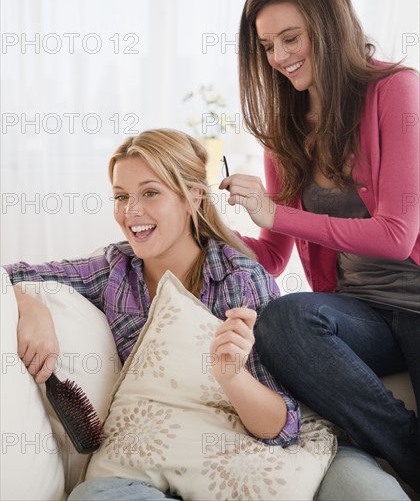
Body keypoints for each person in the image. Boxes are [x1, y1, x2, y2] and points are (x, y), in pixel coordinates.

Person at [4, 128, 300, 500]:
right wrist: (29, 303)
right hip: (144, 469)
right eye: (121, 196)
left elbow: (284, 427)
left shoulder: (239, 280)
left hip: (231, 462)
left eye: (150, 193)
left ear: (192, 198)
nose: (132, 211)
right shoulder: (114, 271)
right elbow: (9, 273)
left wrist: (233, 377)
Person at [218, 0, 420, 497]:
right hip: (361, 311)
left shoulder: (396, 90)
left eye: (291, 38)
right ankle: (410, 449)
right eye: (267, 46)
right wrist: (211, 226)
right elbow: (273, 256)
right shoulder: (285, 133)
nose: (280, 58)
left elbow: (397, 234)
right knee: (283, 319)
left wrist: (277, 211)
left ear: (327, 29)